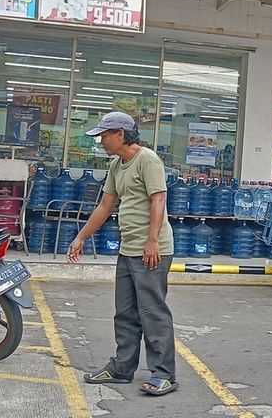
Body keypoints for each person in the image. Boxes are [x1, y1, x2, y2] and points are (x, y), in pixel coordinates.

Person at [67, 111, 178, 396]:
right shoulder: (118, 165)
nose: (101, 141)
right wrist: (81, 237)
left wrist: (152, 240)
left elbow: (159, 198)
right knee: (125, 313)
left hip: (151, 250)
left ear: (120, 134)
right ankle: (122, 367)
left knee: (153, 312)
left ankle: (164, 374)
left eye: (104, 135)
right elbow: (105, 206)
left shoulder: (147, 159)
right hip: (128, 249)